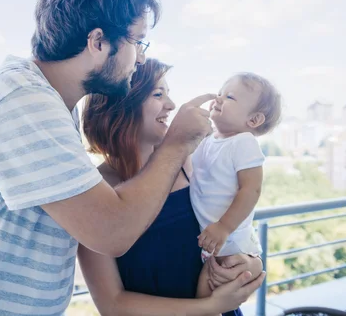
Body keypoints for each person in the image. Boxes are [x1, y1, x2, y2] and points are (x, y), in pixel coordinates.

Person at [0, 0, 217, 316]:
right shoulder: (22, 101)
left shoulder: (49, 103)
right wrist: (177, 142)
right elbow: (112, 232)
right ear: (98, 42)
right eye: (138, 42)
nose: (142, 59)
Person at [79, 59, 266, 316]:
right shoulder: (92, 191)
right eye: (158, 94)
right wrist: (208, 307)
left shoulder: (190, 163)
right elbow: (112, 304)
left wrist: (249, 264)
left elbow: (235, 226)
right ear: (121, 103)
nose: (172, 105)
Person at [193, 73, 282, 298]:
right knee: (205, 295)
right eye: (221, 93)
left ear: (253, 120)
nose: (219, 98)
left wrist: (224, 226)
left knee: (208, 294)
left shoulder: (244, 142)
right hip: (213, 242)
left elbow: (251, 190)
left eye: (230, 97)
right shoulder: (209, 140)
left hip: (231, 241)